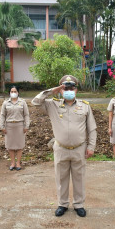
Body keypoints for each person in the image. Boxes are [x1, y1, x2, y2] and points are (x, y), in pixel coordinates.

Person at [32, 75, 97, 217]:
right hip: (61, 149)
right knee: (61, 178)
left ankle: (79, 204)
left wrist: (91, 146)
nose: (69, 90)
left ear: (76, 90)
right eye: (65, 88)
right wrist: (52, 91)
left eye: (71, 88)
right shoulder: (52, 105)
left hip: (79, 149)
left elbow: (91, 128)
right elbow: (35, 102)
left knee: (79, 178)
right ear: (61, 90)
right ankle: (62, 204)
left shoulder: (85, 106)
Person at [0, 86, 30, 171]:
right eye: (12, 91)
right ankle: (12, 162)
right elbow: (2, 115)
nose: (13, 93)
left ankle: (18, 163)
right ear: (9, 92)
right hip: (9, 126)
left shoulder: (22, 102)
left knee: (19, 145)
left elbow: (26, 115)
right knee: (10, 146)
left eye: (15, 91)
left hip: (19, 126)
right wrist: (2, 126)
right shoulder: (6, 103)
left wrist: (26, 126)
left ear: (18, 92)